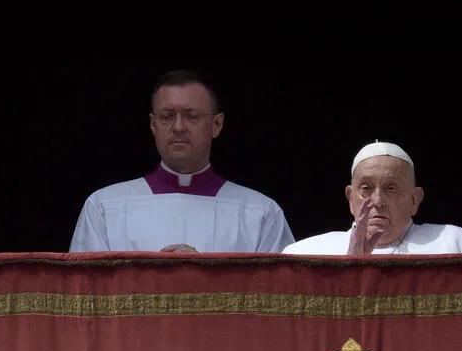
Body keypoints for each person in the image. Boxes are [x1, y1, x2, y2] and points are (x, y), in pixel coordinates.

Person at [69, 69, 294, 253]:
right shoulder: (105, 208)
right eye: (167, 116)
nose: (178, 127)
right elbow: (84, 299)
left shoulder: (260, 213)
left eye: (191, 116)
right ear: (153, 124)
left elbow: (278, 302)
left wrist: (201, 277)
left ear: (216, 125)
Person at [282, 141, 462, 255]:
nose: (378, 201)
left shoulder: (459, 245)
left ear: (414, 200)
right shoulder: (305, 254)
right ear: (350, 199)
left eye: (391, 188)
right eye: (366, 188)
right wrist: (349, 269)